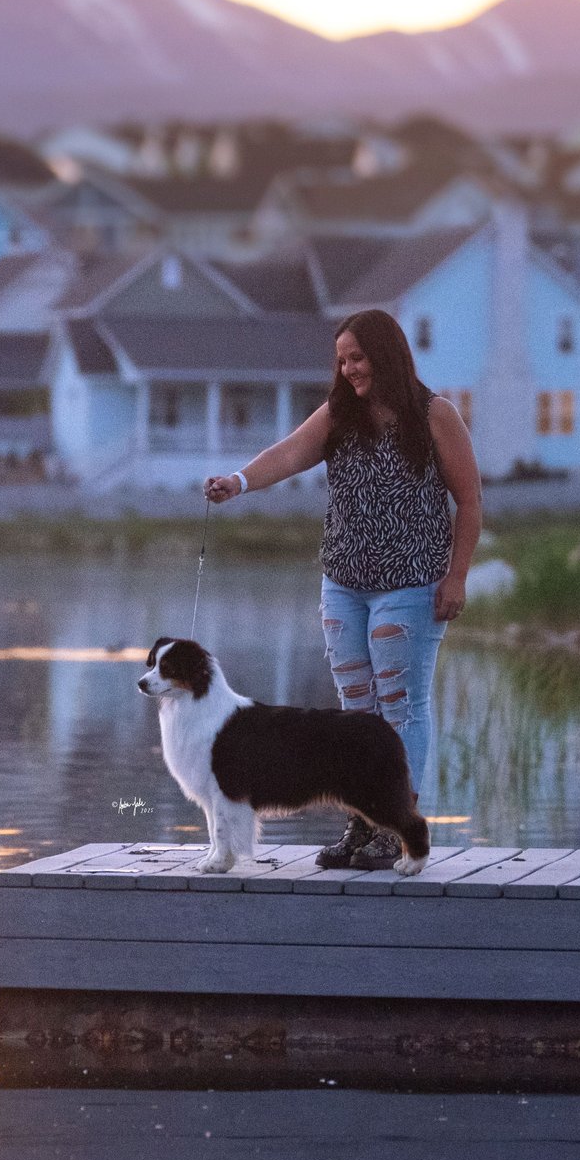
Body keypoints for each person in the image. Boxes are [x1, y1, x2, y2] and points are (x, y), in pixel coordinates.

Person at [202, 308, 481, 868]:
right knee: (356, 713)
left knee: (401, 706)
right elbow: (287, 453)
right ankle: (363, 821)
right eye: (342, 360)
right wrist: (238, 482)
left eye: (358, 357)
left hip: (411, 583)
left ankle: (397, 830)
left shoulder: (434, 415)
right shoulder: (339, 415)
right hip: (343, 585)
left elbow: (470, 502)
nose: (351, 369)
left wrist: (457, 577)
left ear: (387, 354)